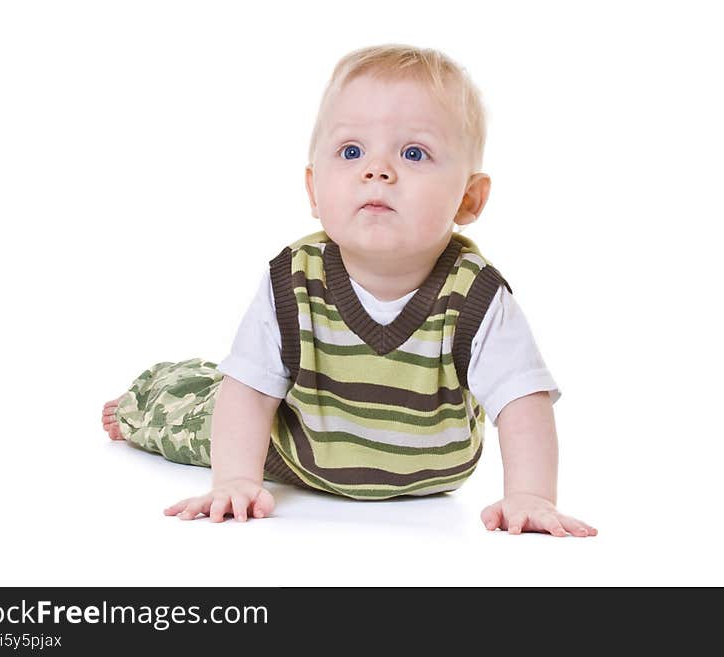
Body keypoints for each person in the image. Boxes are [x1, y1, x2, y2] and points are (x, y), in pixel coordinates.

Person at [101, 44, 597, 537]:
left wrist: (530, 496)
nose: (377, 171)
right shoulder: (294, 280)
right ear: (315, 190)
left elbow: (522, 401)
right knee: (199, 415)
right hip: (297, 449)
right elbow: (249, 395)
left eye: (413, 152)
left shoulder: (477, 296)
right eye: (352, 151)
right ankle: (144, 401)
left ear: (469, 198)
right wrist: (235, 480)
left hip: (431, 473)